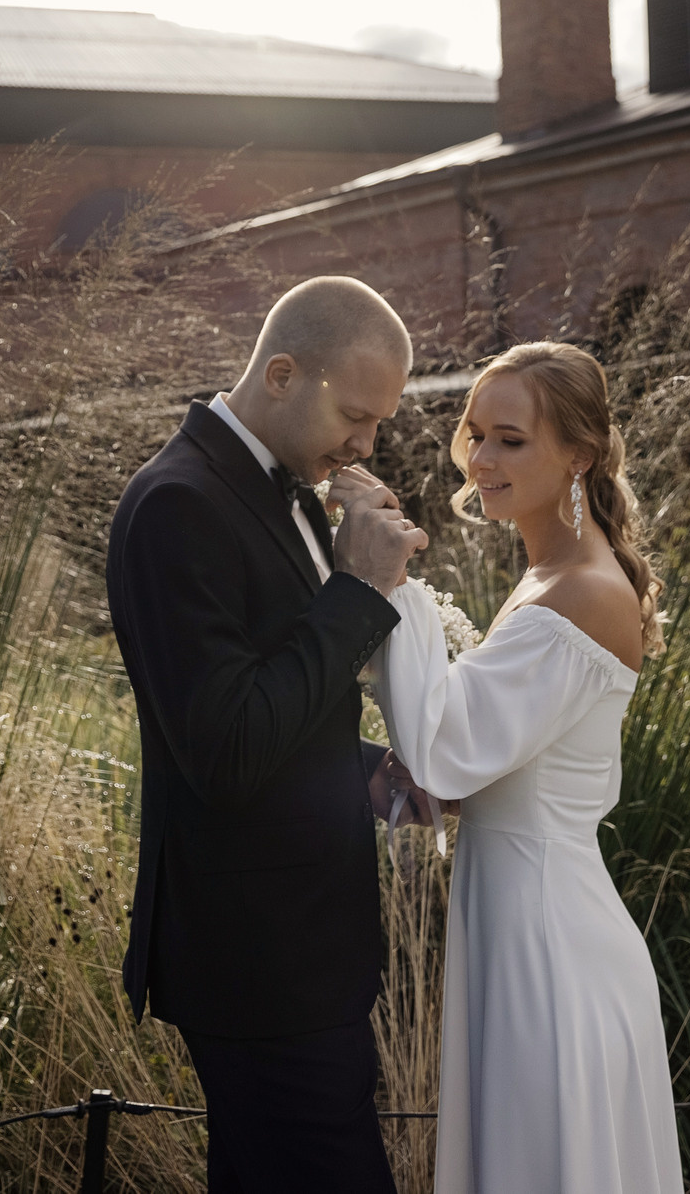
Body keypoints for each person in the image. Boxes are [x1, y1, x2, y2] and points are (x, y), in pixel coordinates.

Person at [106, 276, 435, 1194]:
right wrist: (359, 591)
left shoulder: (270, 487)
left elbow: (272, 700)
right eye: (358, 417)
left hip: (301, 956)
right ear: (282, 373)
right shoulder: (179, 503)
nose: (368, 445)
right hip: (257, 965)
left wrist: (368, 773)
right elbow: (227, 749)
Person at [369, 340, 684, 1194]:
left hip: (548, 941)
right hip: (517, 907)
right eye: (475, 433)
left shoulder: (577, 589)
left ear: (578, 452)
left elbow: (445, 750)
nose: (481, 457)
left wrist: (385, 585)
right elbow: (472, 762)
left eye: (511, 438)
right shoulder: (550, 573)